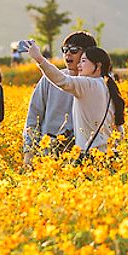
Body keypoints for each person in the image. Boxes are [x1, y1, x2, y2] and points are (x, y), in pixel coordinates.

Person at [26, 41, 124, 158]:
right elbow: (119, 130)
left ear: (98, 66)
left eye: (83, 61)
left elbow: (62, 81)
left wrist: (39, 58)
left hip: (90, 155)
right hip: (105, 154)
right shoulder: (107, 85)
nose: (79, 65)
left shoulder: (89, 85)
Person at [23, 31, 96, 164]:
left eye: (74, 50)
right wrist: (29, 151)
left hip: (81, 156)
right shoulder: (48, 80)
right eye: (65, 50)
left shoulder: (93, 84)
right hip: (48, 154)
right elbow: (33, 117)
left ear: (88, 54)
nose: (68, 54)